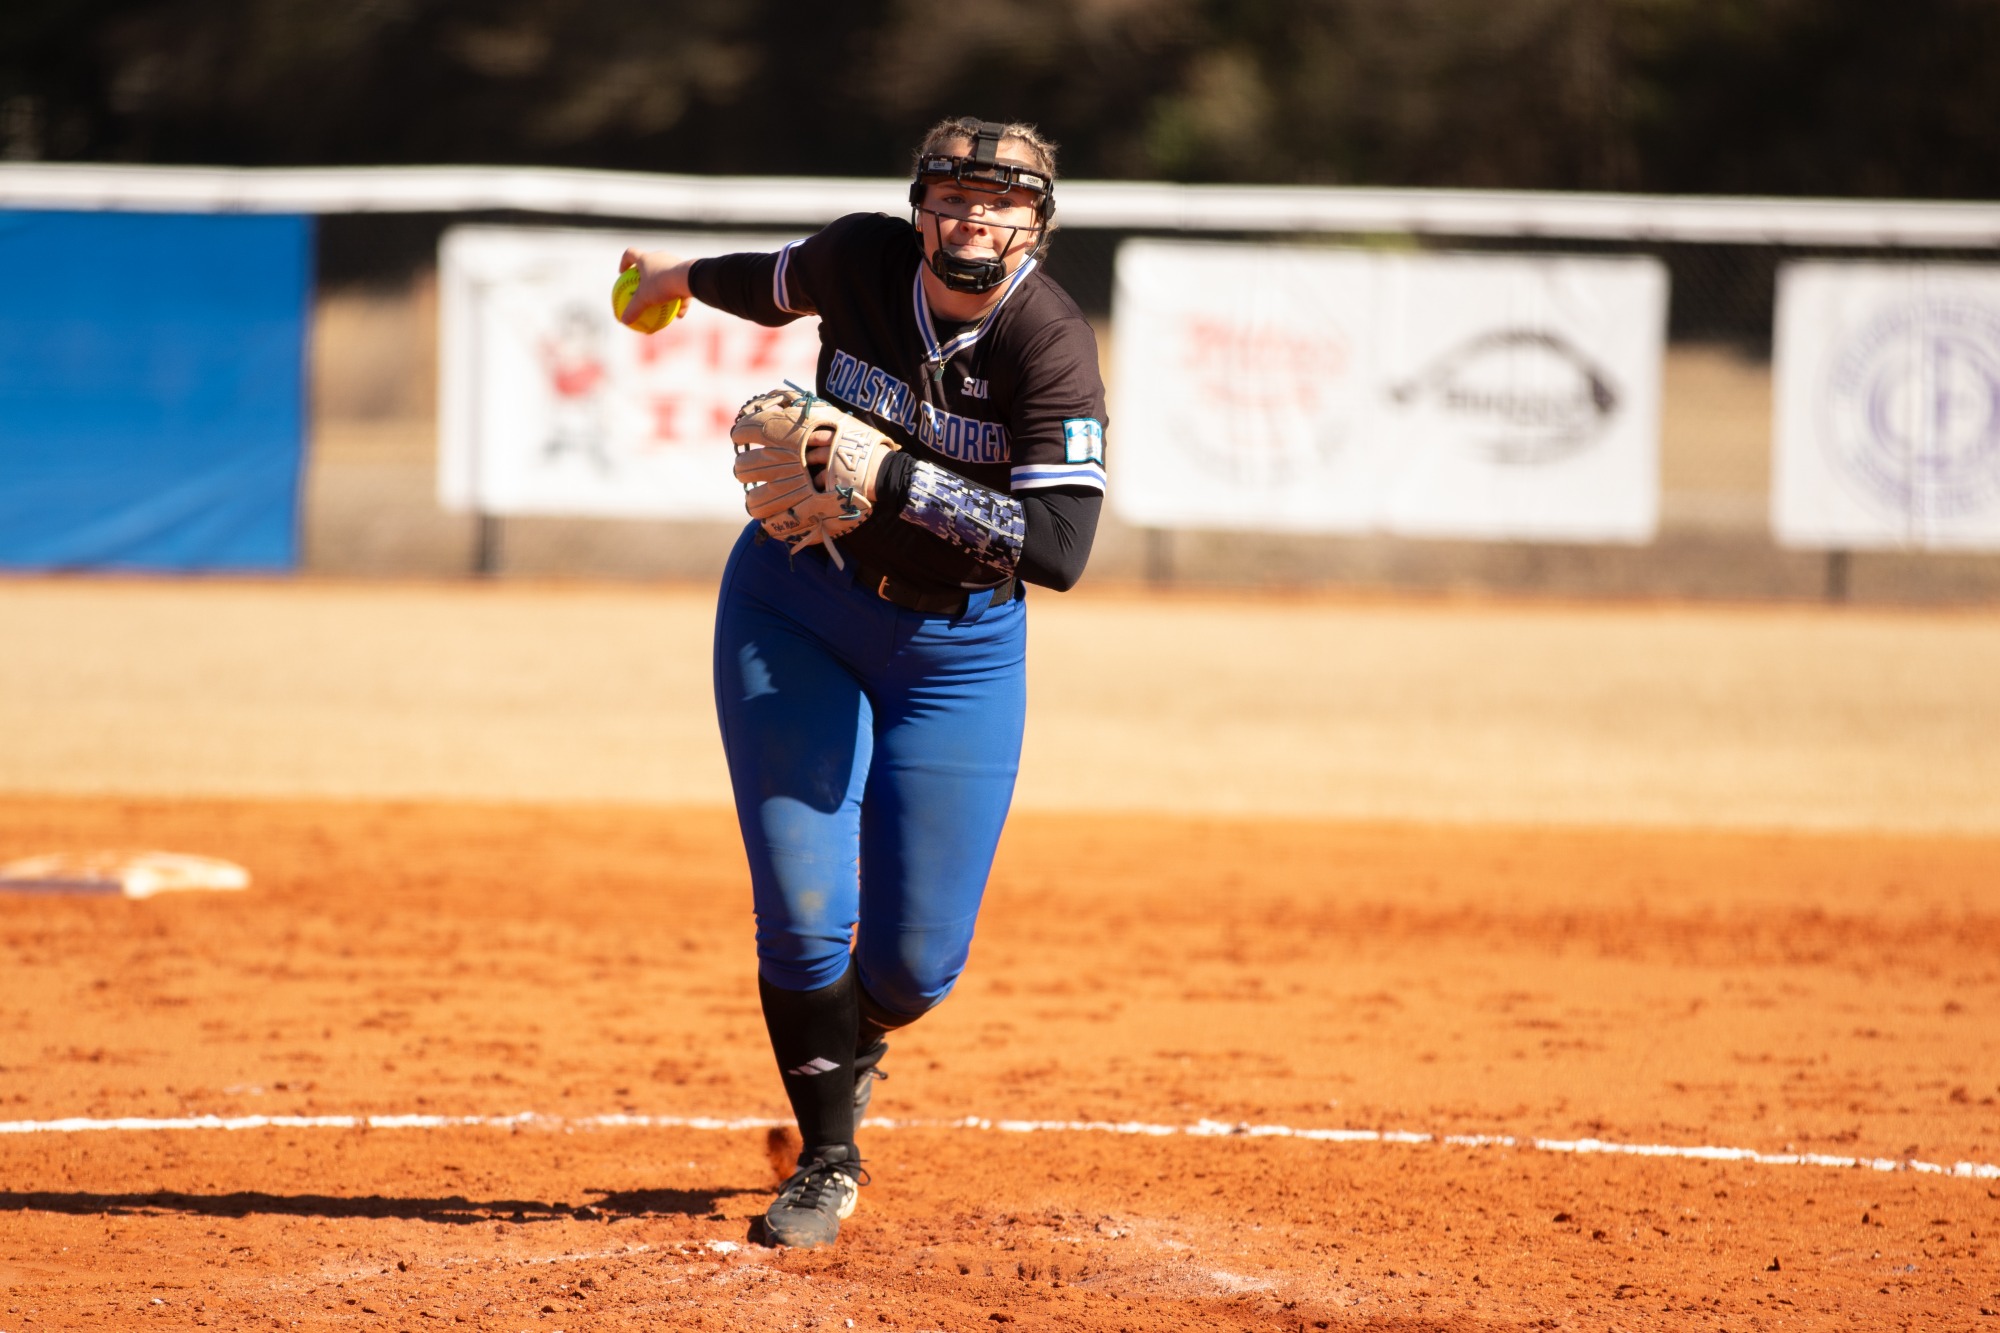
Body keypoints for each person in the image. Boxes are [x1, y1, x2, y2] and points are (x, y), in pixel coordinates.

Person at [617, 116, 1107, 1248]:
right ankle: (827, 1158)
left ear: (1035, 223)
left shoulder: (1048, 341)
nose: (970, 217)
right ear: (918, 203)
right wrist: (672, 280)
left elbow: (1062, 548)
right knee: (799, 916)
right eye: (950, 193)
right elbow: (767, 279)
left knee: (915, 965)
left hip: (959, 650)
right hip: (797, 603)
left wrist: (897, 480)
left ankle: (857, 1035)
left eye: (1000, 202)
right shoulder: (862, 257)